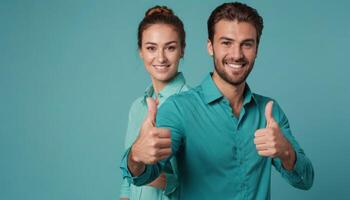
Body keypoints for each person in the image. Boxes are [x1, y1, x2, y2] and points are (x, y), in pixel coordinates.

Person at [121, 2, 314, 200]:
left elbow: (305, 180)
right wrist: (136, 156)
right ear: (210, 46)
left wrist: (286, 152)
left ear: (256, 49)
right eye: (226, 43)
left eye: (246, 44)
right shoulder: (179, 109)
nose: (237, 54)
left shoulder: (269, 111)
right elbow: (142, 175)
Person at [119, 5, 189, 200]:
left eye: (170, 47)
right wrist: (134, 163)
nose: (160, 57)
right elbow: (126, 184)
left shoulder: (193, 105)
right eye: (151, 48)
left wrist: (141, 170)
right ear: (140, 51)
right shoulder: (137, 107)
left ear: (182, 50)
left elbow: (202, 180)